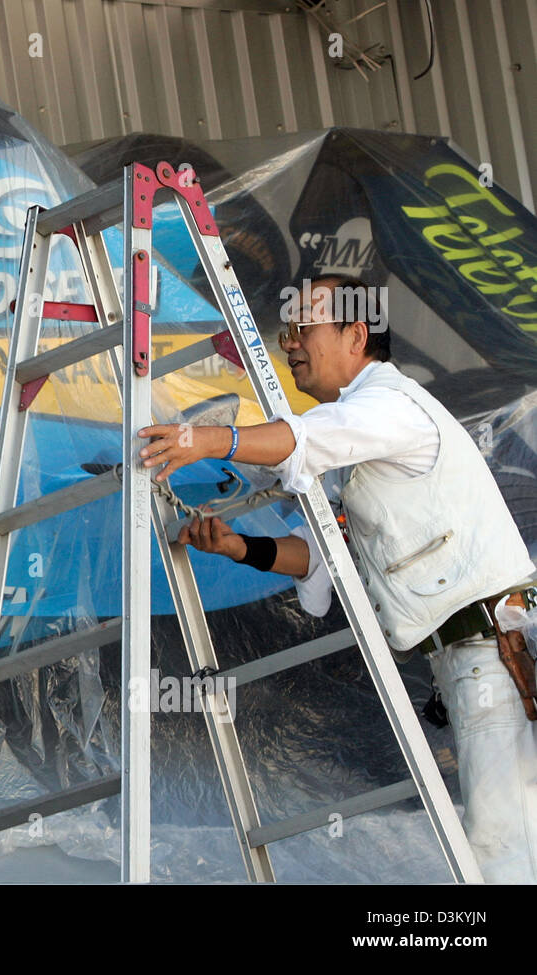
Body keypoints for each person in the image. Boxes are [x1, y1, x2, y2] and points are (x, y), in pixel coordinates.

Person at [136, 274, 537, 883]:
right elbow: (327, 563)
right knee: (506, 837)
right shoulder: (368, 436)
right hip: (477, 655)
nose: (291, 342)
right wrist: (239, 546)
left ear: (356, 335)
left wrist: (207, 439)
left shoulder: (389, 407)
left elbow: (308, 439)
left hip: (491, 652)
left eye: (305, 329)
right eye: (287, 331)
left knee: (503, 845)